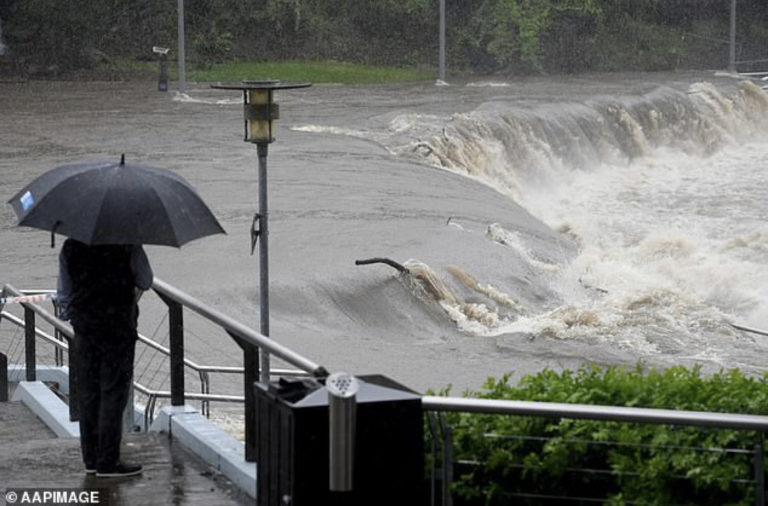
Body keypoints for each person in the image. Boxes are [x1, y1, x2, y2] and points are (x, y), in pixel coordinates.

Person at [57, 238, 153, 478]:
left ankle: (90, 459)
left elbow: (63, 293)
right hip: (118, 327)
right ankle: (108, 462)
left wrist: (76, 312)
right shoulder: (128, 243)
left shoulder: (71, 246)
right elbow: (146, 280)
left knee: (88, 392)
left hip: (86, 329)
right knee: (113, 393)